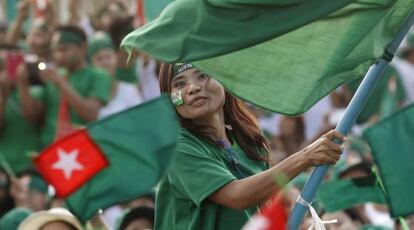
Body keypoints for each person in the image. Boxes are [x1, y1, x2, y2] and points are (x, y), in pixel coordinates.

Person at [156, 63, 346, 229]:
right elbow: (237, 196)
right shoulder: (177, 148)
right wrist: (305, 157)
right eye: (180, 84)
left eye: (203, 75)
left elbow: (264, 215)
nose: (193, 88)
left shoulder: (250, 143)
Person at [16, 25, 112, 146]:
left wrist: (61, 84)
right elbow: (31, 115)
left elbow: (92, 114)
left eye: (64, 49)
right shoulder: (53, 75)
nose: (59, 55)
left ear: (83, 47)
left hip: (82, 149)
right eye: (55, 50)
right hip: (50, 149)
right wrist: (22, 84)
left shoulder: (98, 76)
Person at [87, 31, 143, 119]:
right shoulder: (87, 95)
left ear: (115, 59)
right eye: (99, 59)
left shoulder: (129, 90)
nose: (105, 63)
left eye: (108, 57)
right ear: (91, 64)